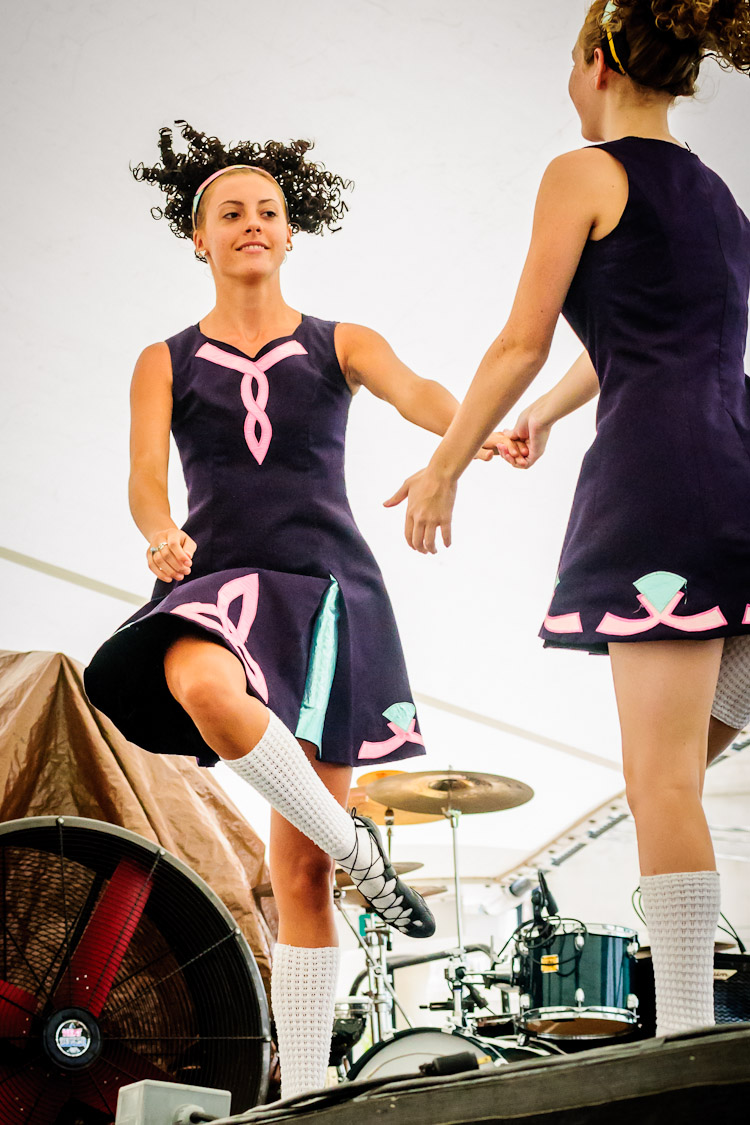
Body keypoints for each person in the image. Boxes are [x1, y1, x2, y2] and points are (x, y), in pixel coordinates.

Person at [84, 121, 501, 1098]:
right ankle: (367, 853)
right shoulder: (164, 357)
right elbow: (148, 477)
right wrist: (159, 533)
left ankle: (307, 1092)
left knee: (303, 874)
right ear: (199, 238)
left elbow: (421, 391)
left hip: (328, 592)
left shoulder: (341, 340)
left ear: (290, 231)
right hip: (219, 574)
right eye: (230, 213)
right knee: (197, 680)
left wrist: (481, 427)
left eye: (267, 211)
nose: (252, 225)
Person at [387, 0, 750, 1038]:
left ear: (596, 61)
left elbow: (521, 338)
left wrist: (443, 465)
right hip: (736, 474)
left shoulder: (582, 170)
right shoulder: (721, 201)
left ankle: (683, 1031)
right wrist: (544, 421)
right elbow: (640, 331)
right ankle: (690, 1019)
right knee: (681, 767)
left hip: (664, 493)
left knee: (660, 783)